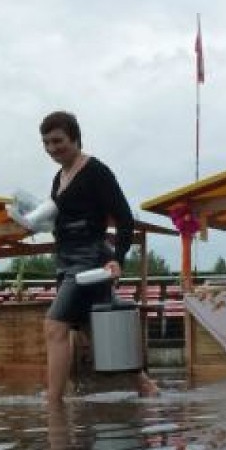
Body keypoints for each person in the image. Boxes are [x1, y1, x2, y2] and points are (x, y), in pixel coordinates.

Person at [39, 110, 159, 404]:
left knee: (55, 326)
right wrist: (32, 220)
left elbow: (124, 218)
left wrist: (118, 257)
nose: (53, 149)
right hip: (66, 259)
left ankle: (53, 402)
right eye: (47, 143)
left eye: (58, 141)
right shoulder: (58, 178)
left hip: (90, 261)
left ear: (76, 138)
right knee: (94, 328)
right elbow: (60, 219)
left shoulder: (96, 171)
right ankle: (145, 387)